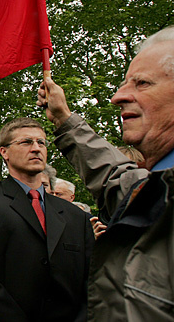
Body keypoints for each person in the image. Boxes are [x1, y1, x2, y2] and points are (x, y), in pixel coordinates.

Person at [37, 25, 174, 321]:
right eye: (124, 83)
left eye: (142, 83)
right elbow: (118, 179)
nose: (118, 96)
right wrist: (64, 118)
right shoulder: (156, 189)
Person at [0, 118, 94, 322]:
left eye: (41, 143)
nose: (36, 148)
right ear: (4, 152)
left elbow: (89, 282)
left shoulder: (75, 216)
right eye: (26, 142)